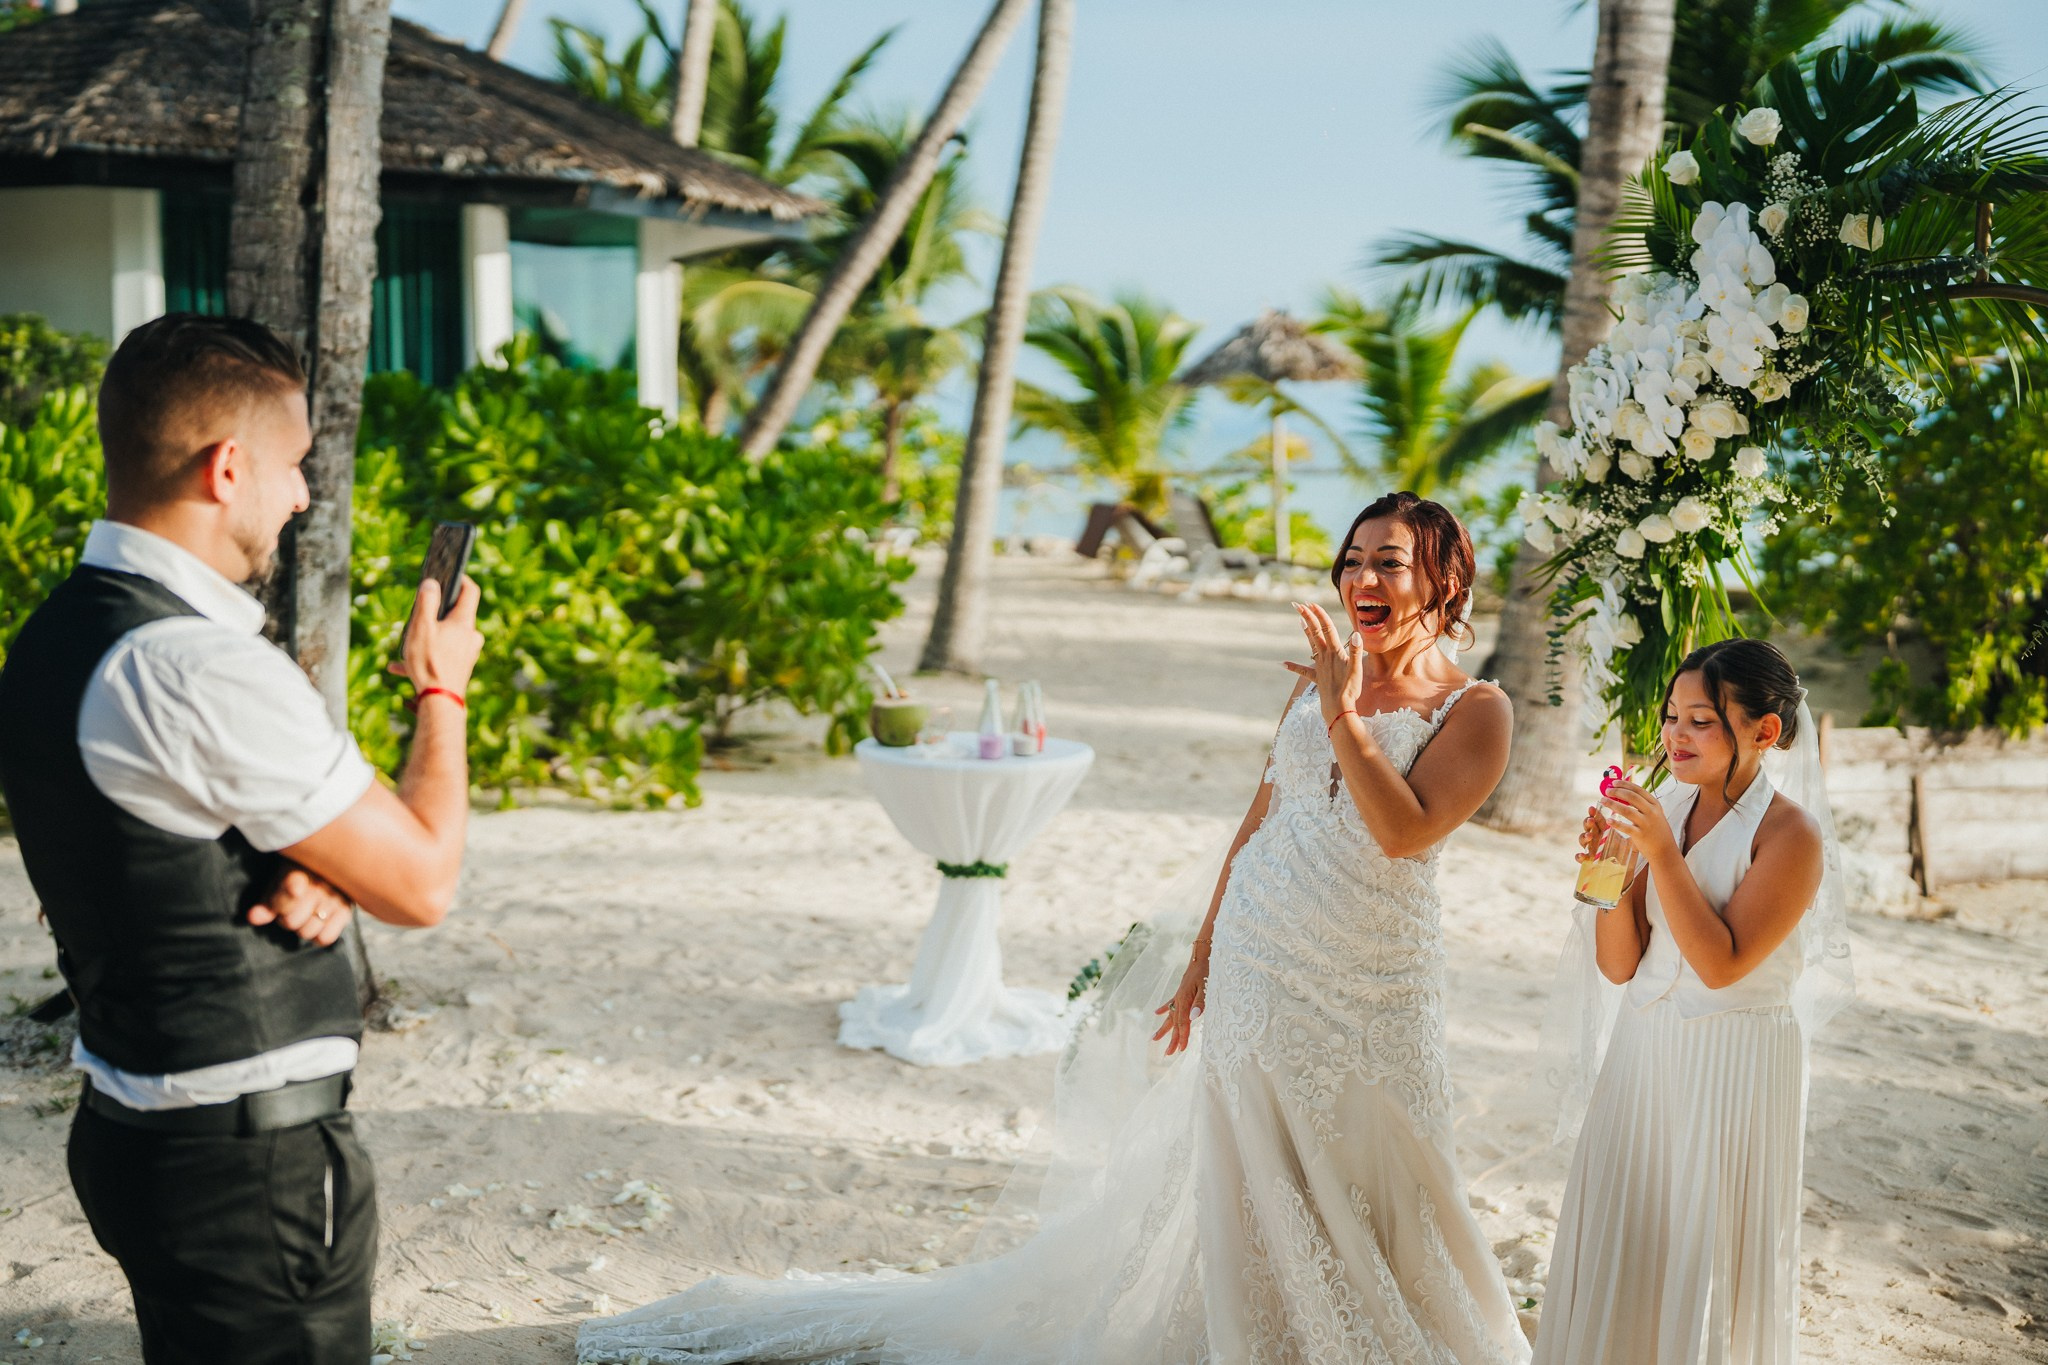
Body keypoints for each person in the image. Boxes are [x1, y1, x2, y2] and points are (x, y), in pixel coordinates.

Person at [578, 490, 1531, 1364]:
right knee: (1256, 1169)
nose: (1363, 578)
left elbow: (1404, 833)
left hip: (1375, 978)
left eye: (1391, 561)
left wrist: (1340, 710)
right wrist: (1203, 956)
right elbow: (1260, 819)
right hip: (1262, 953)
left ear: (1445, 580)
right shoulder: (1319, 682)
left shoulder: (1476, 709)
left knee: (1388, 1154)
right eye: (1353, 558)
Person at [0, 313, 484, 1364]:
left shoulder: (57, 636)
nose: (303, 494)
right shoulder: (194, 669)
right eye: (296, 465)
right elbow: (425, 881)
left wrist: (321, 864)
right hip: (244, 1169)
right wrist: (440, 688)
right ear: (227, 469)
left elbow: (136, 847)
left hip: (136, 1134)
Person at [1532, 638, 1852, 1365]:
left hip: (1730, 1062)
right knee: (1630, 1226)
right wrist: (1607, 867)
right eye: (1671, 715)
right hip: (1644, 1051)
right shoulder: (1666, 808)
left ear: (1763, 732)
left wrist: (1663, 855)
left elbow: (1720, 963)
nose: (1675, 734)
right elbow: (1620, 966)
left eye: (1701, 720)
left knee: (1702, 1246)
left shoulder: (1790, 834)